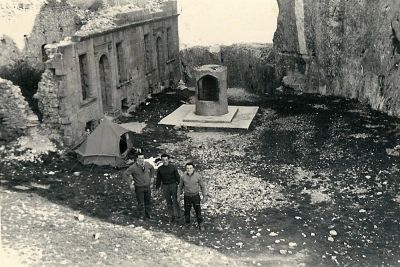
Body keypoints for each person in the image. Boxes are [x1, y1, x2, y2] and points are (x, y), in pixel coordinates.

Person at [123, 152, 155, 220]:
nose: (141, 160)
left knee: (148, 201)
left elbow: (152, 168)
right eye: (139, 158)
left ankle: (148, 215)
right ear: (137, 159)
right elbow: (125, 174)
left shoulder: (147, 164)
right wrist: (130, 184)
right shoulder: (133, 167)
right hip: (139, 187)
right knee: (141, 202)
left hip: (147, 186)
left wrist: (152, 177)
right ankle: (141, 216)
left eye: (142, 158)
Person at [177, 162, 208, 230]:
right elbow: (180, 187)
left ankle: (200, 224)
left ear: (193, 168)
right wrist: (178, 196)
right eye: (187, 168)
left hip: (195, 196)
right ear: (186, 169)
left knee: (198, 211)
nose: (189, 169)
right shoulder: (183, 177)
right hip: (187, 196)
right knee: (187, 211)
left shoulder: (198, 176)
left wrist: (204, 196)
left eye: (190, 168)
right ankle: (187, 224)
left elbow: (202, 186)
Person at [155, 154, 181, 223]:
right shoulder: (160, 169)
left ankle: (177, 216)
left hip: (173, 185)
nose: (165, 161)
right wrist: (157, 187)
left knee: (175, 201)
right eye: (163, 160)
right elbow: (158, 179)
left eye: (166, 160)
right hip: (165, 186)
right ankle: (171, 217)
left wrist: (179, 185)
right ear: (161, 160)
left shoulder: (173, 167)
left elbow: (177, 177)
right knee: (169, 202)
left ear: (168, 160)